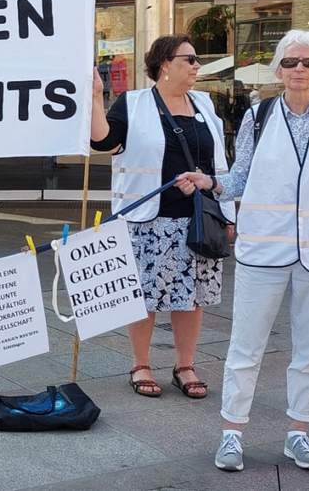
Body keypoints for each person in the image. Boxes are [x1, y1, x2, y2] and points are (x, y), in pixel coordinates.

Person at [179, 29, 309, 472]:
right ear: (278, 69)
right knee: (245, 345)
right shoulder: (258, 116)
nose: (299, 69)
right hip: (263, 250)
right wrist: (210, 182)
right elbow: (240, 178)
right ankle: (231, 433)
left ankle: (299, 433)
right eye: (291, 62)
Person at [91, 34, 236, 400]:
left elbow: (218, 162)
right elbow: (105, 143)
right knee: (144, 296)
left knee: (193, 297)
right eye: (190, 59)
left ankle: (185, 365)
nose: (197, 66)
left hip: (199, 216)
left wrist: (228, 211)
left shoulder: (204, 104)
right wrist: (94, 99)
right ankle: (140, 364)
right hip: (148, 219)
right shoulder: (134, 103)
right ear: (165, 64)